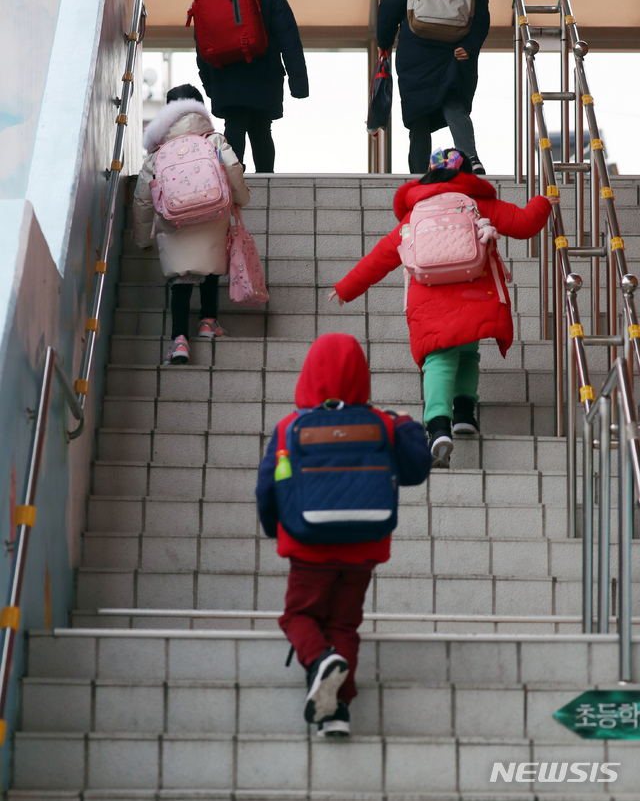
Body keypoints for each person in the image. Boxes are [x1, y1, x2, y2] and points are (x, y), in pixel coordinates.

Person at [329, 150, 551, 468]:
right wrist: (544, 201)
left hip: (428, 296)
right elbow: (526, 223)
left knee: (438, 360)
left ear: (429, 175)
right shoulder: (477, 202)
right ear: (465, 174)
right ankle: (464, 414)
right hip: (475, 290)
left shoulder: (415, 213)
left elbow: (381, 257)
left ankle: (437, 429)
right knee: (467, 350)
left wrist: (345, 289)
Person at [255, 333, 431, 736]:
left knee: (298, 615)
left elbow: (268, 488)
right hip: (363, 546)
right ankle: (336, 712)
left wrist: (274, 530)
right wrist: (404, 423)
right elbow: (417, 469)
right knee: (343, 625)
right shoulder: (383, 424)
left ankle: (319, 663)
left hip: (307, 545)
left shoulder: (288, 428)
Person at [132, 83, 250, 365]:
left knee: (181, 277)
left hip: (174, 221)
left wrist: (142, 240)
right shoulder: (213, 140)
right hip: (213, 213)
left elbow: (143, 200)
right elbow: (233, 168)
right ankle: (209, 322)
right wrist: (241, 197)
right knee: (209, 265)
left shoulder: (157, 153)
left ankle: (179, 341)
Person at [377, 0, 490, 175]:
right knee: (453, 101)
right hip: (454, 48)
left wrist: (384, 40)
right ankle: (471, 159)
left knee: (418, 115)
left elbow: (390, 5)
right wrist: (469, 46)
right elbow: (481, 14)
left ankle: (419, 171)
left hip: (416, 47)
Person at [196, 0, 309, 173]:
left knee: (234, 124)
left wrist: (210, 84)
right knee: (261, 128)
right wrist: (298, 84)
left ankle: (233, 180)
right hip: (265, 76)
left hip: (226, 77)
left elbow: (202, 43)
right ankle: (266, 179)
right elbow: (290, 41)